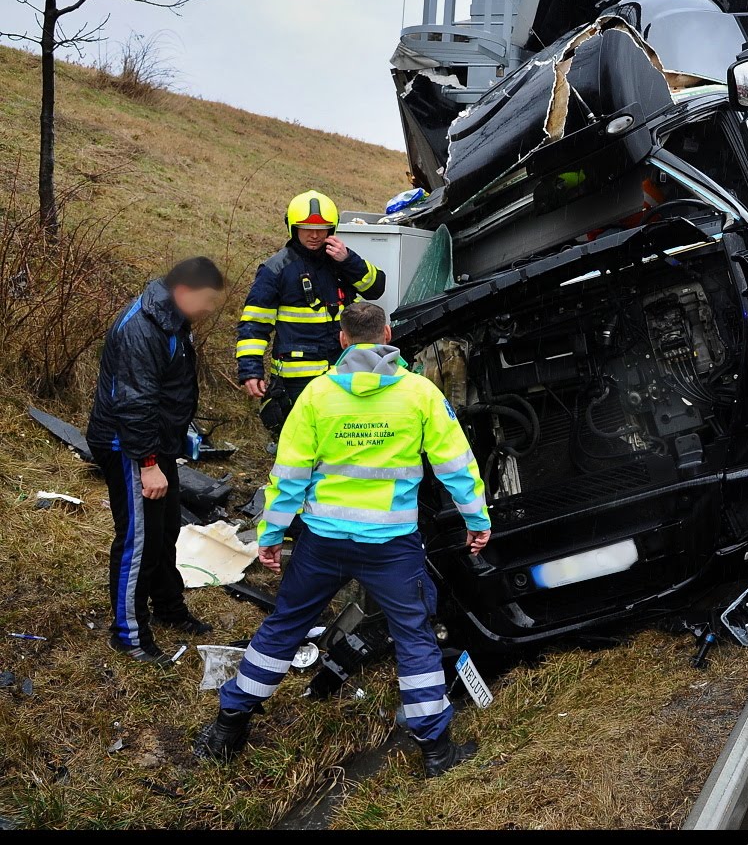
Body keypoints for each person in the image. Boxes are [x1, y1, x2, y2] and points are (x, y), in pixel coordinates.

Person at [196, 302, 490, 776]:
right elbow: (456, 465)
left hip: (323, 543)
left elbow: (289, 475)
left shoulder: (316, 395)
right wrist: (477, 519)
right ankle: (437, 752)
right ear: (387, 334)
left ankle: (227, 729)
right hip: (391, 547)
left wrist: (270, 534)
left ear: (342, 339)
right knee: (414, 637)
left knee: (284, 627)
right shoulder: (420, 394)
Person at [87, 258, 227, 662]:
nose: (208, 309)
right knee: (139, 541)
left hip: (156, 443)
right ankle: (129, 635)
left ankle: (168, 607)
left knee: (164, 531)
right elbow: (134, 401)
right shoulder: (142, 329)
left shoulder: (172, 318)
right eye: (206, 301)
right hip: (129, 447)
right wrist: (148, 464)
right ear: (183, 292)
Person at [236, 191, 386, 434]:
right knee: (300, 440)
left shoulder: (341, 261)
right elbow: (254, 324)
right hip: (296, 381)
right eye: (307, 228)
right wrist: (250, 370)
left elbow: (376, 288)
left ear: (332, 229)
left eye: (321, 229)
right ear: (293, 228)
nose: (315, 235)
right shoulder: (276, 269)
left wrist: (348, 260)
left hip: (342, 372)